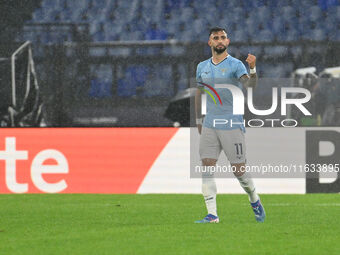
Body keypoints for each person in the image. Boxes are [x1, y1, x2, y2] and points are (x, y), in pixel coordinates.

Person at [194, 27, 265, 223]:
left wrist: (252, 68)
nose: (219, 40)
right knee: (207, 166)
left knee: (239, 170)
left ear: (228, 41)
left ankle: (254, 198)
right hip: (210, 123)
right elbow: (199, 93)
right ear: (209, 42)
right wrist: (199, 120)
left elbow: (250, 86)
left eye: (222, 37)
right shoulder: (202, 67)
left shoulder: (235, 65)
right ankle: (212, 215)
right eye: (215, 37)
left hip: (231, 122)